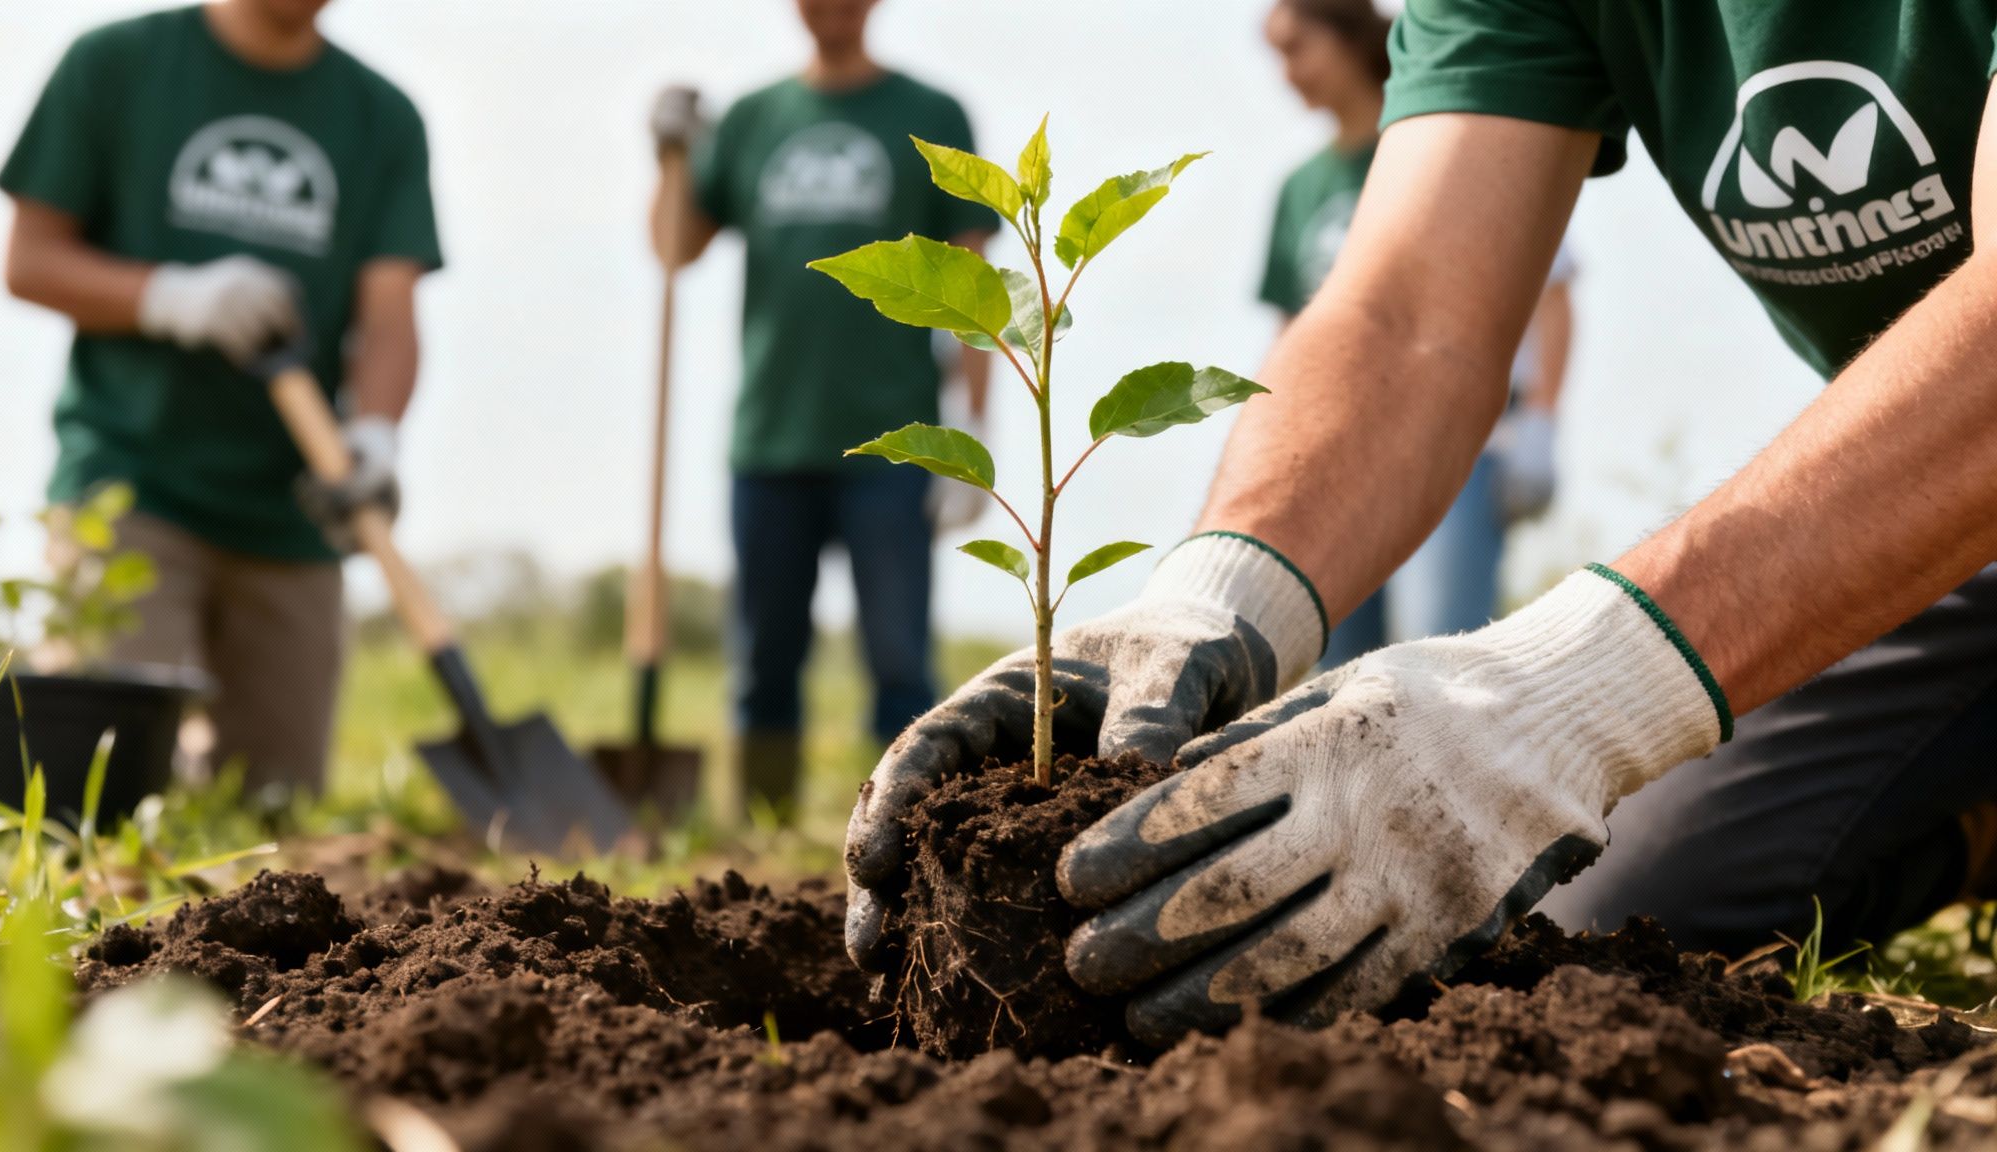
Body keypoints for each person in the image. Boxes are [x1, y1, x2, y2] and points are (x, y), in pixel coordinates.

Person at [845, 0, 1997, 1047]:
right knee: (1607, 908)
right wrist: (1220, 593)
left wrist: (1570, 689)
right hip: (1946, 530)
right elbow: (1407, 317)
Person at [0, 0, 441, 796]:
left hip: (293, 513)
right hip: (130, 486)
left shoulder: (381, 117)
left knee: (277, 811)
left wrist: (375, 434)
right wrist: (167, 296)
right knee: (103, 790)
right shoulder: (115, 64)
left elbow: (390, 319)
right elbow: (30, 260)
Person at [654, 0, 997, 820]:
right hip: (771, 438)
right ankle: (763, 832)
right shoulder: (752, 120)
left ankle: (907, 832)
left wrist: (972, 436)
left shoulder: (931, 116)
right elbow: (674, 247)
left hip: (897, 439)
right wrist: (672, 158)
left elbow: (975, 286)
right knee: (765, 663)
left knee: (899, 663)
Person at [1260, 0, 1576, 666]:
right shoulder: (1301, 188)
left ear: (1349, 39)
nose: (1287, 74)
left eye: (1297, 48)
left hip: (1460, 443)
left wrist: (1543, 420)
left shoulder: (1451, 152)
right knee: (1332, 674)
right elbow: (1291, 335)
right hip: (1335, 462)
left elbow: (1553, 299)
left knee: (1439, 652)